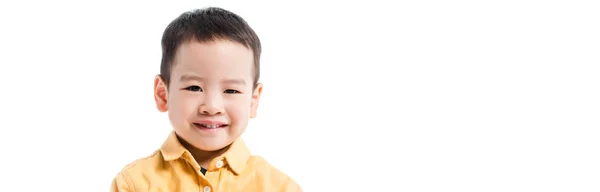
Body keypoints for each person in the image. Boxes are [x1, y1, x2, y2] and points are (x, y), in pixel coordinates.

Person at [110, 7, 302, 192]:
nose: (212, 107)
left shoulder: (279, 187)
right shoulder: (133, 184)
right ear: (163, 94)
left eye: (231, 90)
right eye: (194, 87)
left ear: (253, 100)